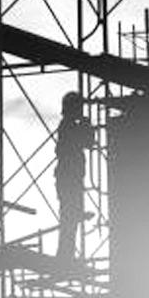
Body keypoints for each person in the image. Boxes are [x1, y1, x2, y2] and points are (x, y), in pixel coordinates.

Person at [54, 91, 94, 259]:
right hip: (69, 178)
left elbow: (87, 143)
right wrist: (87, 126)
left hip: (71, 177)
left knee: (71, 216)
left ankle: (66, 254)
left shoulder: (68, 125)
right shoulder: (68, 126)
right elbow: (88, 142)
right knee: (69, 216)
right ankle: (65, 255)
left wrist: (85, 126)